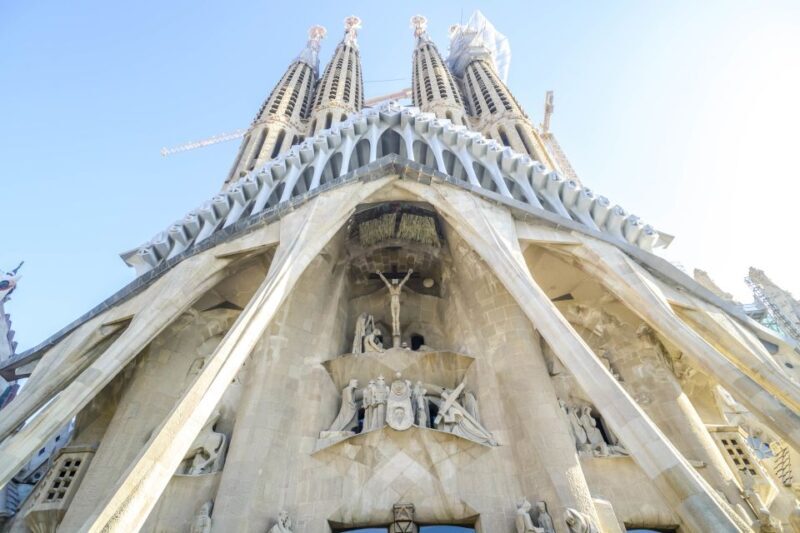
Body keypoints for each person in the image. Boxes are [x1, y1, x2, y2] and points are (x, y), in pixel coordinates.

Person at [377, 269, 413, 347]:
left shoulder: (399, 287)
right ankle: (394, 331)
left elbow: (404, 281)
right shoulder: (390, 288)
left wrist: (409, 274)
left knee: (397, 318)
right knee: (394, 317)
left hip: (397, 303)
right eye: (394, 282)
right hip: (393, 303)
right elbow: (385, 281)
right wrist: (380, 274)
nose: (395, 283)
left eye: (395, 282)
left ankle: (397, 331)